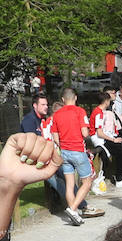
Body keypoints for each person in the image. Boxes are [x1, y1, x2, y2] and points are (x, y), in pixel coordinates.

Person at [48, 87, 97, 224]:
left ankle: (74, 213)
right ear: (75, 97)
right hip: (78, 150)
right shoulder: (80, 111)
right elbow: (85, 133)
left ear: (63, 100)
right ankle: (73, 208)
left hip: (64, 152)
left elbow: (55, 136)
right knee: (87, 182)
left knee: (70, 184)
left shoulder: (57, 114)